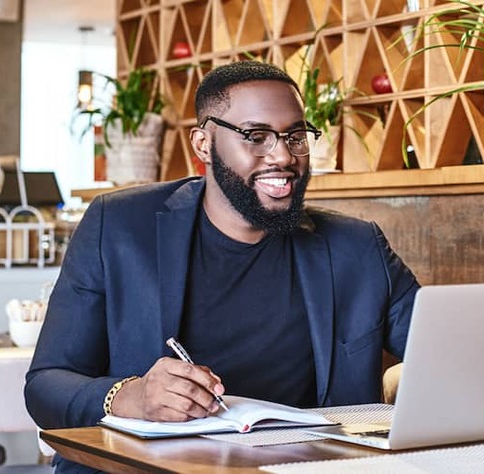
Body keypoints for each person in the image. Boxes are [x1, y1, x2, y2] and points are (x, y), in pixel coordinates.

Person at [25, 60, 420, 472]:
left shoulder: (356, 247)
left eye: (295, 135)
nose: (283, 155)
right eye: (256, 136)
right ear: (202, 144)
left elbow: (443, 348)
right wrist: (132, 397)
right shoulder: (120, 226)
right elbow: (46, 386)